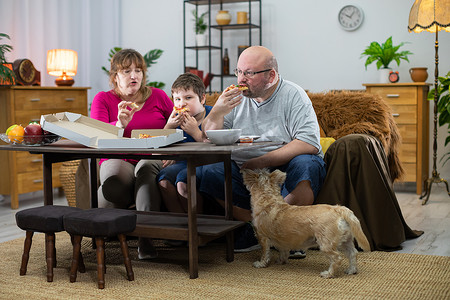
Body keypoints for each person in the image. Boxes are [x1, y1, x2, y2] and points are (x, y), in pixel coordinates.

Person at [193, 46, 327, 253]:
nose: (240, 80)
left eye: (249, 73)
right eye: (238, 72)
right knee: (208, 171)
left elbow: (308, 142)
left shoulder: (293, 95)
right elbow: (207, 137)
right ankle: (257, 228)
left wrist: (263, 161)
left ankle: (288, 231)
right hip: (244, 170)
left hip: (283, 166)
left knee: (306, 164)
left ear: (271, 75)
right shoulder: (234, 98)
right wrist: (217, 111)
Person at [90, 48, 174, 260]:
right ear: (115, 76)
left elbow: (177, 124)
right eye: (126, 71)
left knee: (146, 170)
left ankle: (145, 240)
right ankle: (126, 206)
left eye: (138, 70)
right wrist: (119, 124)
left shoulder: (158, 96)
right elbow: (97, 136)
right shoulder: (103, 99)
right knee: (113, 182)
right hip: (119, 157)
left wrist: (172, 149)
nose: (134, 76)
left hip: (152, 158)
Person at [157, 73, 212, 214]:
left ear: (202, 98)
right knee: (163, 180)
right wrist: (169, 126)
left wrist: (195, 132)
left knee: (183, 182)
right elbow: (160, 144)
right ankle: (180, 222)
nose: (182, 104)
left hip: (207, 162)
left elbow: (215, 145)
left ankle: (197, 224)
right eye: (177, 99)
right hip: (183, 162)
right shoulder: (176, 120)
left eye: (188, 98)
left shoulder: (211, 115)